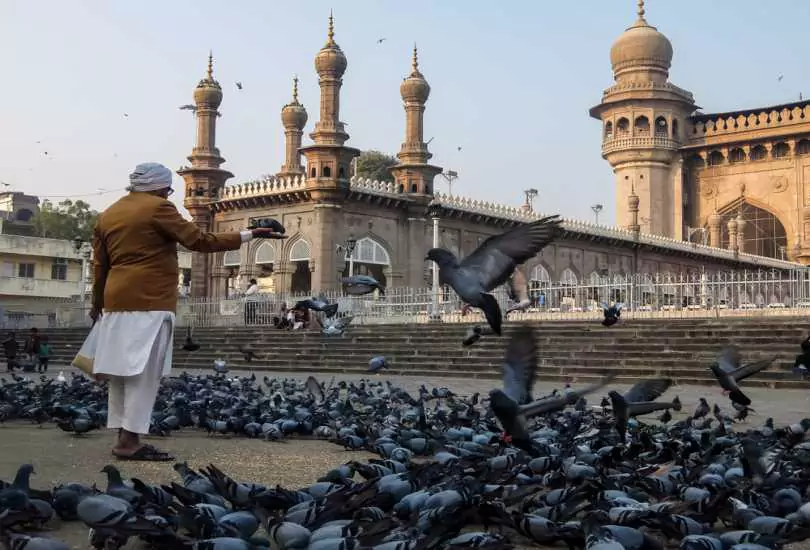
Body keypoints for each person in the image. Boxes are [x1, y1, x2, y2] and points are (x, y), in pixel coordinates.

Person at [91, 162, 285, 461]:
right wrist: (250, 234)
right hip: (150, 300)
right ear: (160, 187)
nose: (169, 195)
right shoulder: (157, 207)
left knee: (121, 374)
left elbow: (99, 265)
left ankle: (122, 435)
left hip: (115, 300)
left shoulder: (109, 214)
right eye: (168, 190)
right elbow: (200, 240)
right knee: (144, 373)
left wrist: (96, 305)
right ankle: (130, 442)